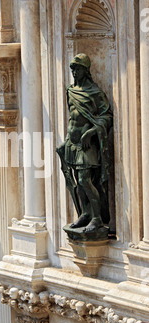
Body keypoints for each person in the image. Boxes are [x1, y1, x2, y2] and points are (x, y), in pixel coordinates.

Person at [56, 54, 113, 233]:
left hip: (87, 145)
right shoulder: (70, 91)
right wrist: (66, 141)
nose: (74, 72)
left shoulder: (95, 93)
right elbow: (71, 118)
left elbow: (107, 116)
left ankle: (97, 217)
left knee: (85, 180)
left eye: (78, 69)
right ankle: (86, 214)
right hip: (72, 143)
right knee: (79, 183)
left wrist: (90, 132)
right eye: (72, 68)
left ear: (86, 70)